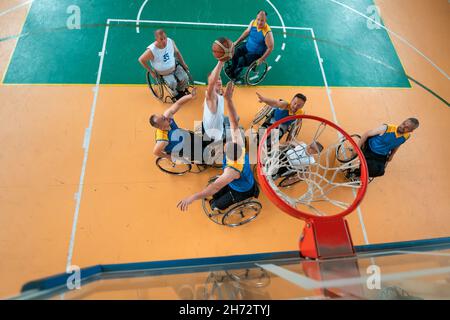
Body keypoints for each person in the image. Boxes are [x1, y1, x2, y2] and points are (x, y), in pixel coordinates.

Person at [177, 82, 257, 212]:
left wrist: (192, 197)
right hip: (241, 179)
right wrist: (229, 100)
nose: (227, 143)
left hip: (242, 189)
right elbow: (233, 122)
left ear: (227, 152)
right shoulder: (240, 147)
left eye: (227, 145)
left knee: (215, 205)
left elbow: (214, 187)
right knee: (216, 193)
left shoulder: (231, 171)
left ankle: (219, 206)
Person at [355, 118, 419, 177]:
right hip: (370, 148)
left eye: (406, 127)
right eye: (403, 123)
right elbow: (367, 134)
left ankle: (360, 173)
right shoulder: (386, 128)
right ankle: (356, 173)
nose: (402, 127)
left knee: (380, 172)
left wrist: (392, 155)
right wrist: (357, 147)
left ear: (411, 131)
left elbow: (397, 144)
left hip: (382, 154)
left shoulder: (406, 136)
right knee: (370, 168)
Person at [150, 88, 200, 162]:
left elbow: (178, 103)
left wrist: (190, 96)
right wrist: (168, 157)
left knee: (198, 139)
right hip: (179, 148)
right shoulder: (162, 140)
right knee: (199, 155)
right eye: (163, 119)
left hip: (181, 136)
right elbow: (156, 152)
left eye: (162, 116)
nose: (165, 117)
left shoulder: (167, 116)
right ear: (160, 127)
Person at [138, 29, 190, 99]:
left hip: (175, 67)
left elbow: (177, 52)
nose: (164, 41)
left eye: (165, 38)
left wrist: (183, 64)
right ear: (156, 39)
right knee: (172, 83)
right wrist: (151, 72)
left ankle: (180, 90)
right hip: (164, 73)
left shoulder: (170, 41)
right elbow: (141, 60)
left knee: (185, 78)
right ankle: (175, 94)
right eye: (161, 39)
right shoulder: (152, 50)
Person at [226, 11, 274, 81]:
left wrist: (262, 59)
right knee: (234, 53)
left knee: (241, 61)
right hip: (247, 46)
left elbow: (270, 48)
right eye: (258, 19)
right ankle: (233, 68)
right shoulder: (253, 23)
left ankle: (235, 74)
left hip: (256, 54)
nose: (259, 22)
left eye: (262, 20)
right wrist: (236, 42)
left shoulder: (267, 33)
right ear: (256, 18)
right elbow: (246, 32)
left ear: (265, 21)